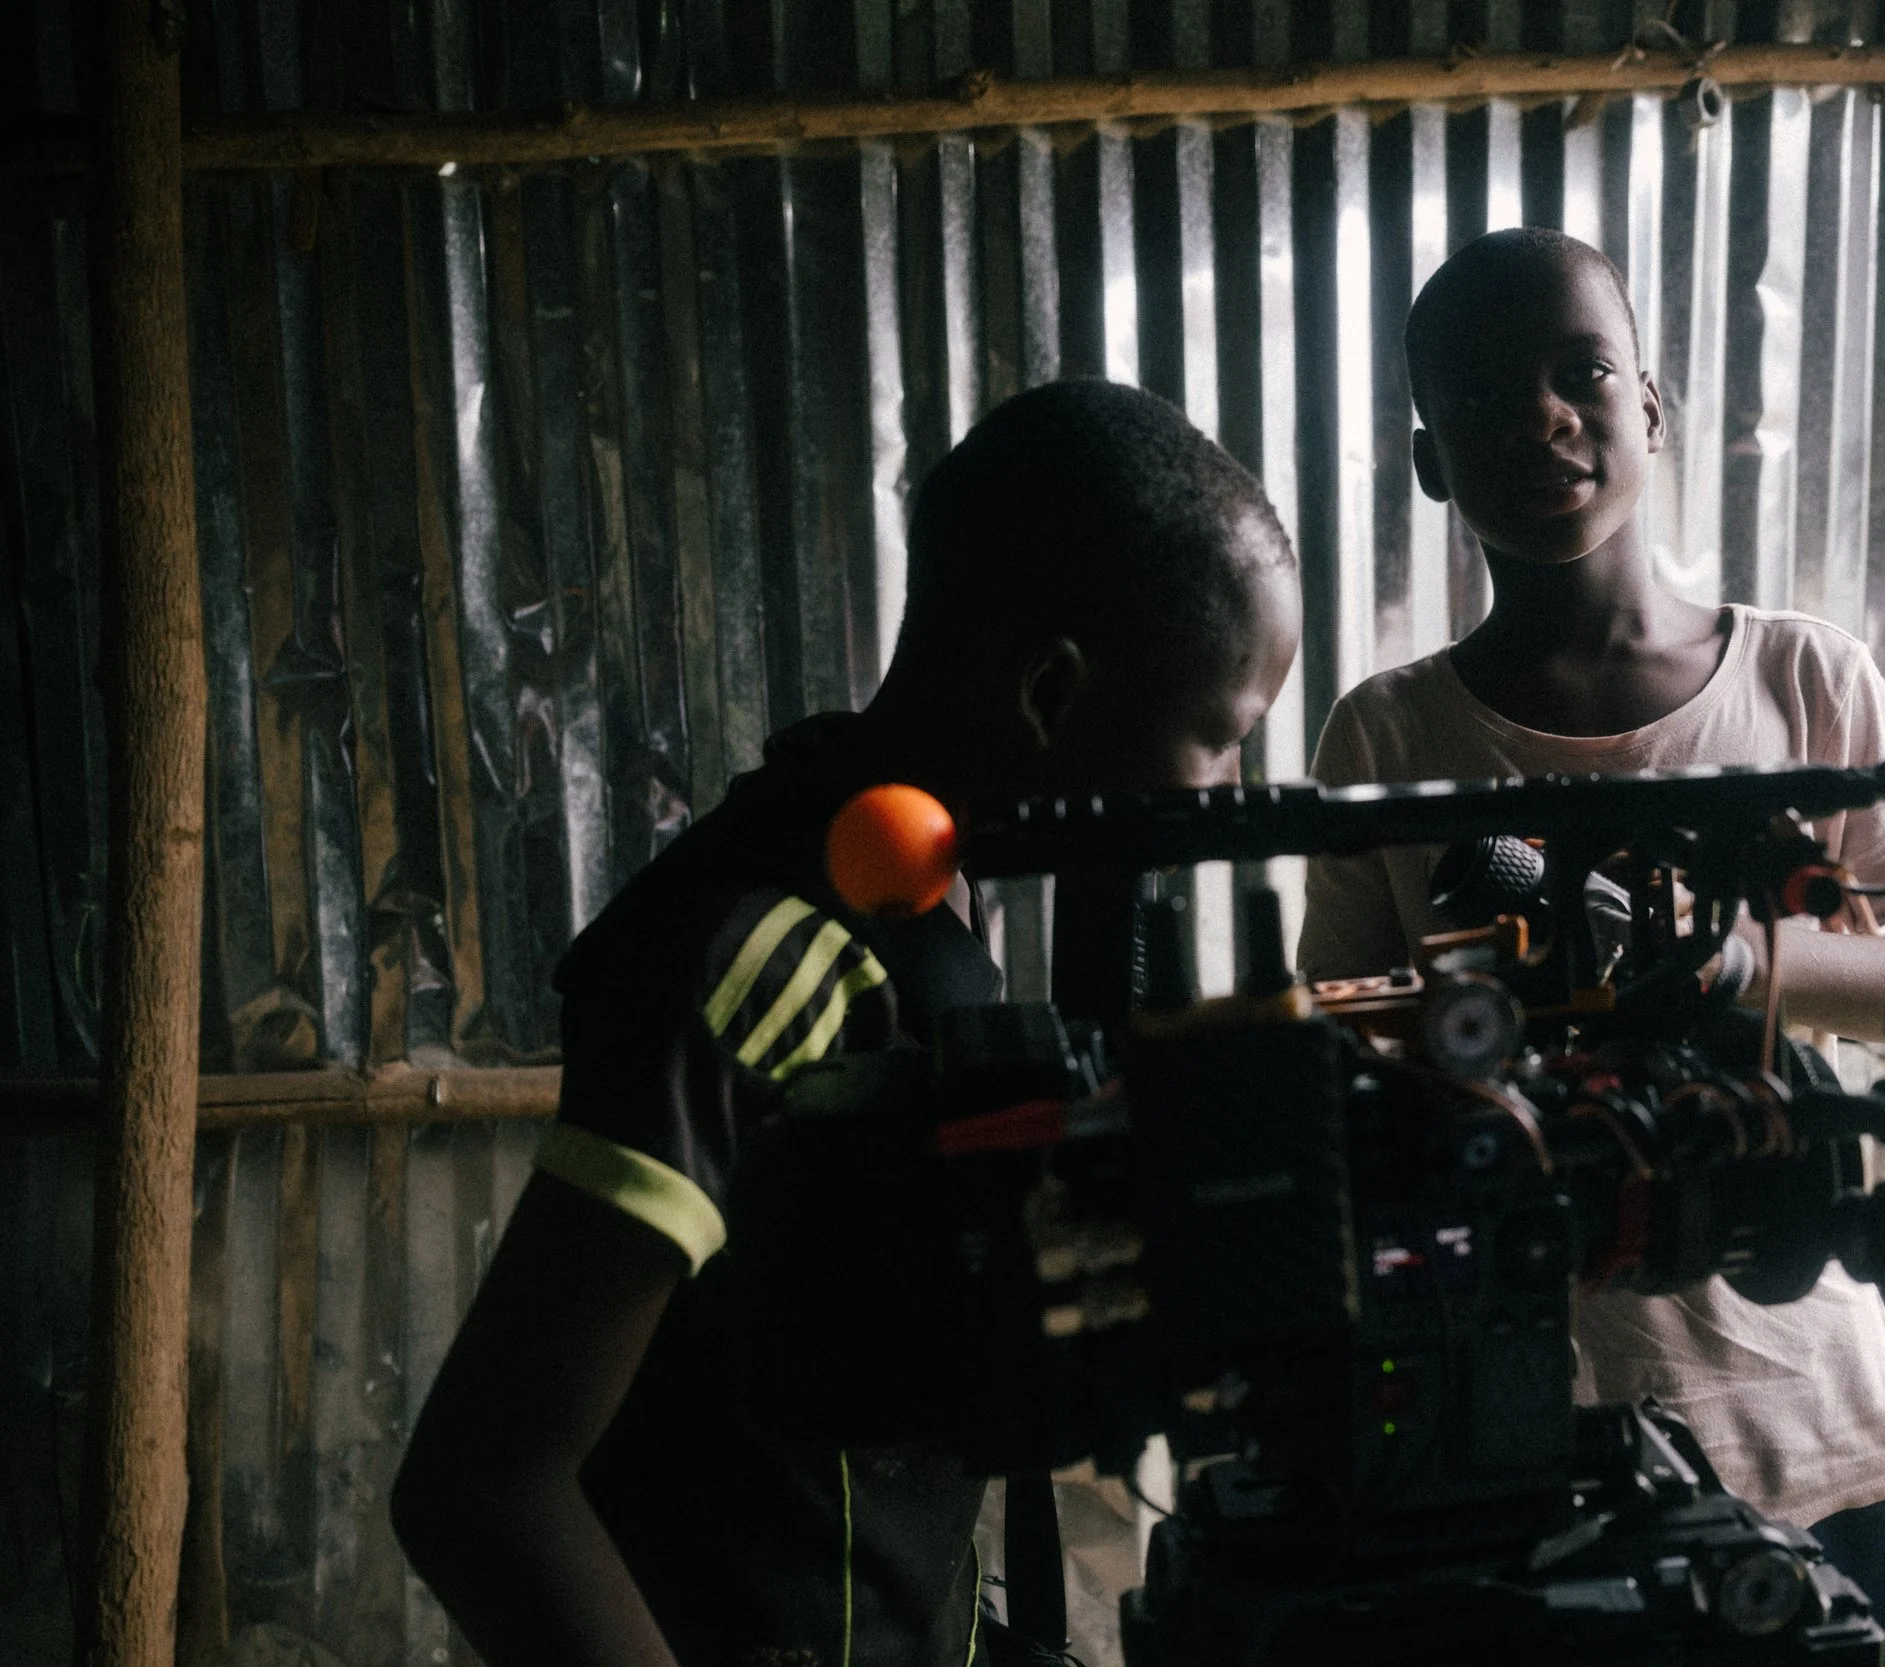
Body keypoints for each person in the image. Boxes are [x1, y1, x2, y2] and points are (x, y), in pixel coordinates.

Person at [392, 379, 1301, 1667]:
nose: (1230, 793)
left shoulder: (913, 889)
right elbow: (485, 1488)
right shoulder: (765, 955)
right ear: (1050, 694)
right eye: (1222, 739)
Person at [1296, 228, 1885, 1664]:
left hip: (1819, 1444)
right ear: (1433, 457)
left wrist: (1742, 966)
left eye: (1582, 375)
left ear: (1654, 406)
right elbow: (1336, 1046)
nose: (1545, 417)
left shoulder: (1805, 679)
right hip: (1522, 1470)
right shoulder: (1386, 737)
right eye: (1487, 399)